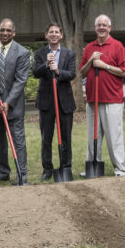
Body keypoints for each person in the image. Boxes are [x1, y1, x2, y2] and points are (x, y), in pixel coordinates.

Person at [79, 14, 125, 177]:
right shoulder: (89, 48)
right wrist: (91, 61)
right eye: (98, 25)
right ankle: (93, 166)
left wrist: (104, 66)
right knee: (93, 137)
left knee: (114, 136)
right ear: (95, 28)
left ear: (110, 28)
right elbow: (82, 73)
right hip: (93, 100)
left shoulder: (117, 46)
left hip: (112, 99)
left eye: (104, 25)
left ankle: (120, 168)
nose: (101, 28)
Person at [0, 18, 30, 184]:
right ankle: (3, 172)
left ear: (14, 33)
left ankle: (22, 175)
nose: (5, 33)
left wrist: (8, 102)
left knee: (18, 142)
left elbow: (21, 81)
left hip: (13, 105)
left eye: (8, 30)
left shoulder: (22, 52)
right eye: (2, 30)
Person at [33, 23, 76, 180]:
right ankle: (47, 169)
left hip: (64, 102)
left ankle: (65, 167)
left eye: (56, 32)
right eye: (50, 32)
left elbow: (72, 74)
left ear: (61, 35)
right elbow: (35, 73)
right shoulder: (39, 53)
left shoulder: (69, 54)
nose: (53, 34)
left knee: (66, 137)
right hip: (46, 102)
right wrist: (46, 64)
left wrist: (58, 71)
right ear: (46, 35)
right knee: (46, 138)